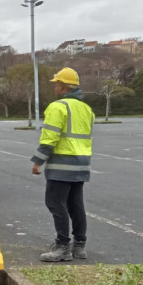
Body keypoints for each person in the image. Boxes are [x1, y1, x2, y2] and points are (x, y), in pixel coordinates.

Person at [31, 67, 94, 262]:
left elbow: (50, 137)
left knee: (55, 203)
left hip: (62, 164)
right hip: (82, 163)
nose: (55, 87)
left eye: (57, 84)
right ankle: (79, 246)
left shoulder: (58, 107)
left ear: (63, 86)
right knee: (76, 204)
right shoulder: (86, 109)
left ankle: (62, 246)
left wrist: (38, 161)